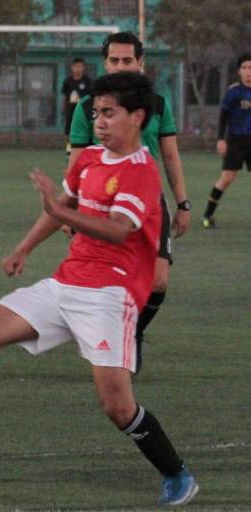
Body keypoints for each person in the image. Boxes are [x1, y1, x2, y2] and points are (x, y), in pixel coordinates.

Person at [0, 72, 199, 507]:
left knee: (118, 408)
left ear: (138, 116)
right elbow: (63, 208)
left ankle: (177, 473)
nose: (99, 122)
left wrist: (57, 209)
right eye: (96, 113)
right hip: (66, 282)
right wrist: (23, 248)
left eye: (109, 113)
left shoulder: (141, 173)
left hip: (111, 295)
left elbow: (118, 230)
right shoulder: (88, 159)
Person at [66, 31, 190, 373]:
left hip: (149, 203)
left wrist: (183, 203)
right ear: (104, 63)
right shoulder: (89, 106)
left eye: (127, 60)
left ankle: (130, 333)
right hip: (98, 204)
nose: (121, 66)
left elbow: (170, 155)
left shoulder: (158, 104)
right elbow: (77, 161)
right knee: (102, 277)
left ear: (141, 63)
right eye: (114, 60)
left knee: (159, 280)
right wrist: (69, 210)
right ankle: (105, 337)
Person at [201, 53, 251, 228]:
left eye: (250, 68)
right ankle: (208, 215)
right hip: (236, 140)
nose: (248, 72)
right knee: (227, 178)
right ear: (239, 71)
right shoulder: (234, 92)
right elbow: (224, 116)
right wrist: (221, 139)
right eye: (244, 68)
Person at [61, 57, 92, 154]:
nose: (77, 69)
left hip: (84, 114)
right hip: (70, 113)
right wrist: (64, 111)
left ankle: (85, 155)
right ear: (71, 67)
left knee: (86, 135)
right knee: (68, 136)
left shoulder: (88, 82)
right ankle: (69, 154)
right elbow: (65, 97)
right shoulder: (68, 81)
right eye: (75, 66)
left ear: (83, 68)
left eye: (79, 66)